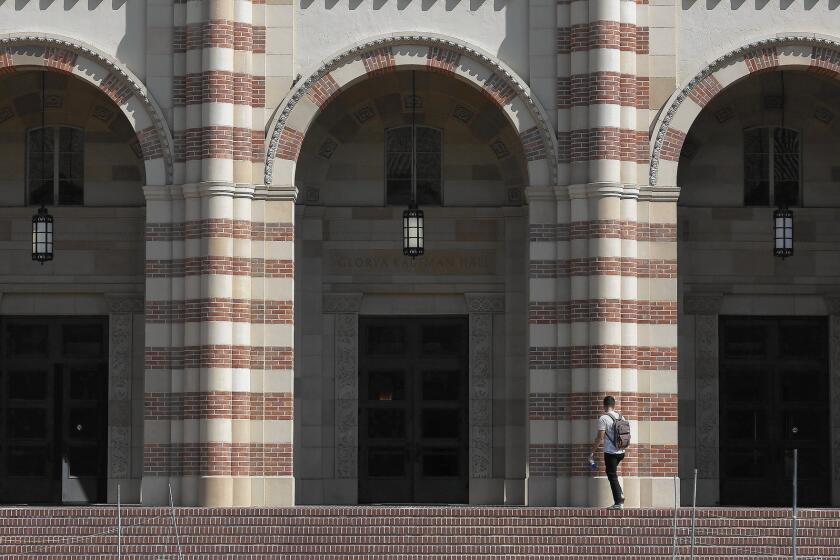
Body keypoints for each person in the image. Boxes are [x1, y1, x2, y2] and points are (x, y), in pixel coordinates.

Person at [590, 395, 625, 509]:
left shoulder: (603, 418)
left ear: (604, 406)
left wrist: (592, 451)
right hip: (621, 451)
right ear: (614, 405)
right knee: (613, 474)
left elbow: (600, 438)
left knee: (612, 475)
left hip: (610, 453)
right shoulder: (621, 417)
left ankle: (618, 502)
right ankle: (620, 495)